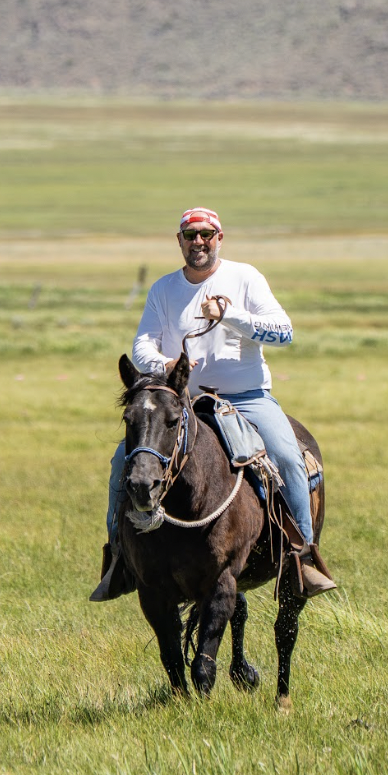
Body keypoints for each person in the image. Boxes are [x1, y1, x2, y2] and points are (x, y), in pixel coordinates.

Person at [91, 206, 334, 601]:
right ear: (180, 241)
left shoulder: (245, 278)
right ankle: (119, 558)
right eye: (190, 235)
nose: (198, 242)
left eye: (206, 234)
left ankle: (301, 559)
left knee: (289, 458)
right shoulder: (163, 289)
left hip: (247, 398)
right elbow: (142, 344)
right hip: (183, 402)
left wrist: (230, 315)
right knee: (124, 462)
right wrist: (162, 364)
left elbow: (284, 332)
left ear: (219, 238)